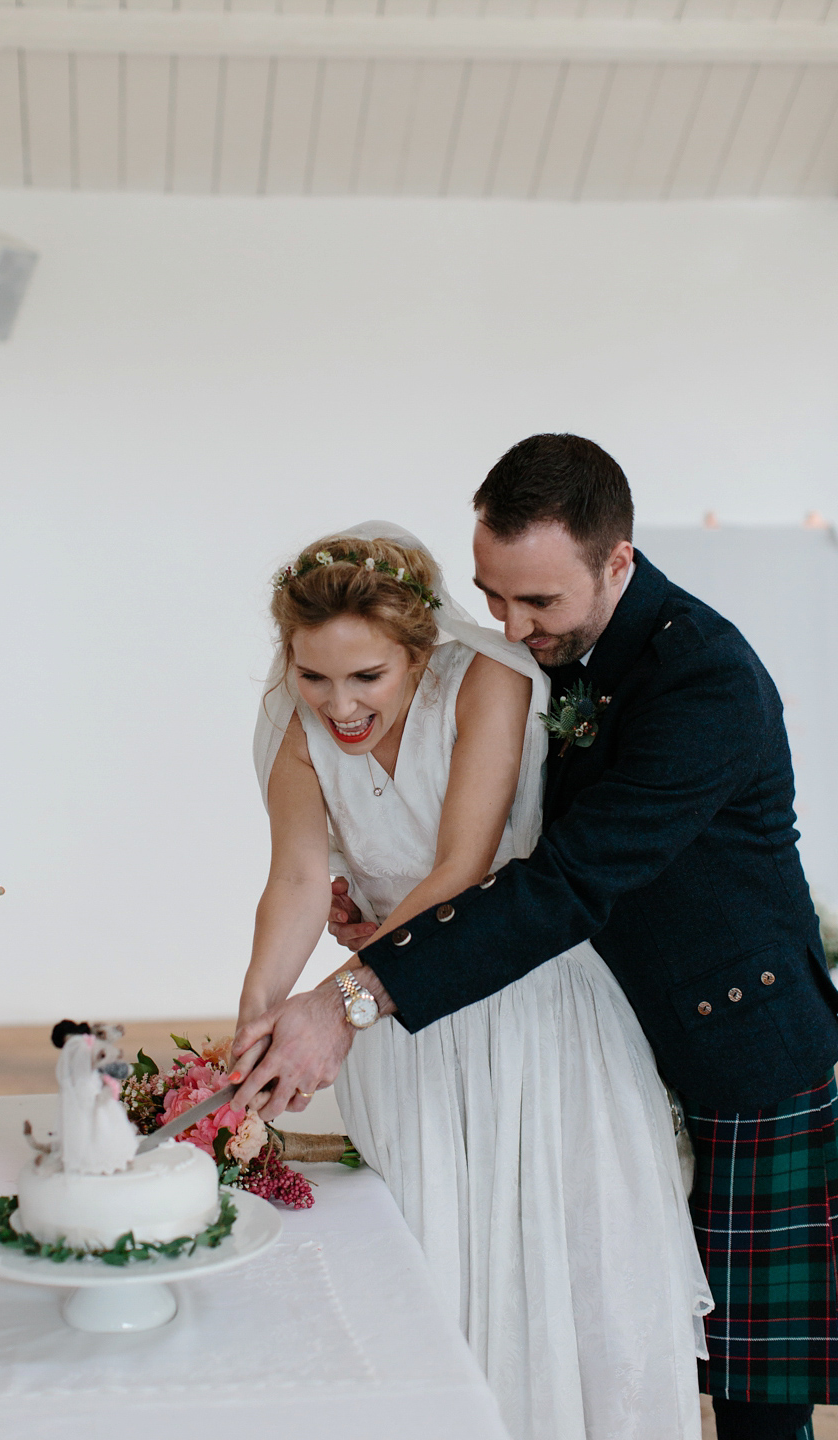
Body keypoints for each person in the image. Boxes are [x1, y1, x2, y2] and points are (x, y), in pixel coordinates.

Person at [232, 436, 838, 1440]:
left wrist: (358, 987)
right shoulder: (536, 654)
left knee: (746, 1393)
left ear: (617, 562)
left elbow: (560, 882)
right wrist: (385, 926)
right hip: (605, 1019)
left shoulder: (704, 683)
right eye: (491, 594)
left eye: (538, 605)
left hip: (739, 1050)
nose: (509, 626)